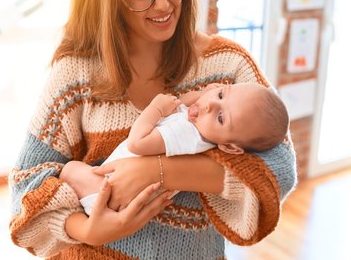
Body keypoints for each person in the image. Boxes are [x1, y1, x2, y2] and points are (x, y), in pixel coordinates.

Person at [9, 0, 297, 259]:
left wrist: (157, 171)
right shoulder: (76, 73)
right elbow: (26, 185)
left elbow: (278, 170)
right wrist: (88, 228)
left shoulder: (227, 66)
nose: (164, 4)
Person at [60, 82, 289, 216]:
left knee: (70, 169)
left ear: (229, 146)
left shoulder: (187, 135)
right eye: (220, 94)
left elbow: (137, 143)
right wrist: (202, 95)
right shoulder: (199, 125)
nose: (209, 105)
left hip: (106, 191)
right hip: (111, 194)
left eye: (220, 117)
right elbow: (183, 103)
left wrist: (155, 109)